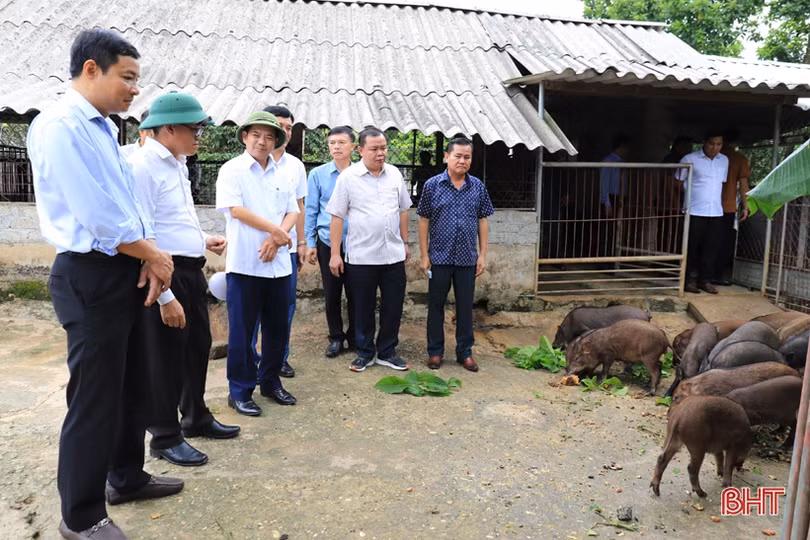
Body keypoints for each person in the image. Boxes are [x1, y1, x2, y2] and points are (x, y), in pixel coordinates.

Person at [26, 29, 182, 540]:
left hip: (124, 267)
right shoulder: (60, 125)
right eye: (128, 77)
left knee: (133, 383)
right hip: (91, 274)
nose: (135, 89)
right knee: (94, 398)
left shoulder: (102, 128)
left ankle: (126, 476)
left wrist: (147, 255)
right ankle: (81, 516)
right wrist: (153, 254)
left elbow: (126, 204)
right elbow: (95, 214)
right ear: (92, 68)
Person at [130, 92, 240, 467]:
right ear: (168, 129)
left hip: (190, 270)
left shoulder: (176, 163)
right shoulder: (144, 166)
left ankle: (195, 416)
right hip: (164, 273)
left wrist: (202, 239)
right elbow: (143, 231)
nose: (199, 136)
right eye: (194, 129)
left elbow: (173, 218)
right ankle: (164, 435)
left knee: (196, 346)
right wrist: (164, 297)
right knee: (165, 356)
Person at [215, 111, 298, 417]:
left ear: (276, 141)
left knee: (278, 329)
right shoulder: (232, 170)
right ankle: (239, 391)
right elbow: (236, 210)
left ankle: (271, 382)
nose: (262, 142)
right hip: (246, 265)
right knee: (242, 331)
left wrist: (278, 238)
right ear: (245, 137)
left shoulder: (283, 173)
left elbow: (293, 212)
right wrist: (275, 231)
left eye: (269, 137)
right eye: (256, 135)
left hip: (279, 265)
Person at [326, 126, 412, 372]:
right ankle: (365, 352)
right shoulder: (348, 177)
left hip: (393, 254)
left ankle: (387, 351)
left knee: (393, 306)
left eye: (383, 148)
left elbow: (403, 210)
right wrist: (335, 254)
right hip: (361, 256)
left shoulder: (394, 174)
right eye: (374, 149)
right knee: (362, 307)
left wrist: (405, 243)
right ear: (361, 150)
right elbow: (337, 216)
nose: (380, 153)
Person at [417, 137, 493, 372]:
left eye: (467, 157)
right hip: (439, 258)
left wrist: (482, 255)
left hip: (467, 259)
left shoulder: (477, 187)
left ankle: (465, 352)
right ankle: (435, 352)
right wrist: (424, 255)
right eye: (458, 156)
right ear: (446, 157)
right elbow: (423, 219)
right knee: (436, 306)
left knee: (465, 307)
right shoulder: (432, 185)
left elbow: (483, 220)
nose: (462, 161)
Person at [245, 105, 308, 379]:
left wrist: (302, 242)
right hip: (254, 248)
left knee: (284, 307)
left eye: (289, 128)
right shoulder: (244, 165)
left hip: (286, 248)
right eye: (279, 126)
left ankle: (279, 358)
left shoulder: (295, 166)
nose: (285, 131)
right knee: (251, 308)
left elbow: (299, 206)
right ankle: (250, 359)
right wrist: (272, 235)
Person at [304, 126, 356, 357]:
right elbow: (311, 210)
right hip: (327, 241)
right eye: (332, 143)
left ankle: (355, 337)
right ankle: (336, 337)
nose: (336, 147)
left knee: (357, 292)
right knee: (332, 293)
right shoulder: (318, 175)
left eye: (341, 142)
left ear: (353, 147)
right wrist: (310, 243)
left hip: (357, 242)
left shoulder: (361, 173)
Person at [677, 130, 729, 294]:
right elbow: (677, 182)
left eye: (719, 144)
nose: (715, 148)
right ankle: (688, 280)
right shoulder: (689, 159)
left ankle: (705, 280)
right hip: (694, 210)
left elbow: (722, 183)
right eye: (712, 144)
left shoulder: (724, 160)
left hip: (715, 211)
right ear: (704, 142)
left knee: (711, 248)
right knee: (691, 248)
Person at [715, 127, 751, 286]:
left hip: (709, 206)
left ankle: (701, 273)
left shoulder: (715, 156)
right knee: (724, 241)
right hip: (727, 206)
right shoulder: (739, 159)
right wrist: (746, 206)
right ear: (737, 142)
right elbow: (743, 185)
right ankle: (719, 274)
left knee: (707, 240)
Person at [598, 134, 630, 260]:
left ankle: (612, 258)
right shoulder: (608, 161)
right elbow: (604, 183)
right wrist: (607, 203)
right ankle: (604, 260)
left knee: (616, 230)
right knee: (607, 231)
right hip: (610, 198)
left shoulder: (622, 162)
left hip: (619, 198)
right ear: (622, 146)